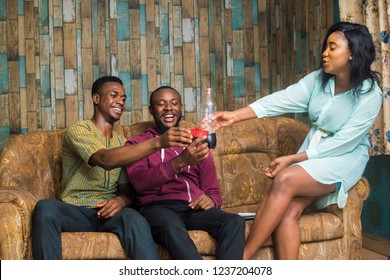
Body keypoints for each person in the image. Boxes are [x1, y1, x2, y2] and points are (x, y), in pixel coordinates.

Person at [211, 22, 383, 260]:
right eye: (326, 46)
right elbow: (280, 100)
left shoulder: (370, 93)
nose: (325, 52)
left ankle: (241, 260)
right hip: (314, 153)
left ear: (353, 52)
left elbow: (344, 142)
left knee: (286, 178)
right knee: (288, 211)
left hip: (346, 156)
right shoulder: (318, 80)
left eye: (333, 47)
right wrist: (234, 116)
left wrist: (295, 158)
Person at [32, 76, 193, 260]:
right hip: (76, 210)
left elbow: (127, 191)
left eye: (123, 99)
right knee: (46, 207)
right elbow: (105, 159)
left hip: (109, 214)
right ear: (96, 99)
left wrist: (121, 202)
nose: (120, 102)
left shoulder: (123, 144)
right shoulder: (79, 130)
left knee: (135, 219)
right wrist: (158, 142)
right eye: (114, 95)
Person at [125, 86, 245, 260]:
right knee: (170, 225)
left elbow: (213, 191)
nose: (168, 108)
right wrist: (179, 162)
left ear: (181, 108)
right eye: (161, 104)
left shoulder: (196, 142)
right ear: (151, 110)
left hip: (192, 208)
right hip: (158, 209)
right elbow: (139, 183)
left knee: (234, 222)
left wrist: (211, 200)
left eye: (174, 103)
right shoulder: (139, 143)